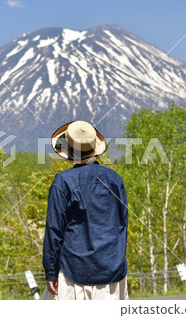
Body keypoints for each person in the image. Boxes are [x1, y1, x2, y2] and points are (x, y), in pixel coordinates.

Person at [42, 120, 129, 300]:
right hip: (113, 271)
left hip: (74, 274)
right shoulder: (115, 179)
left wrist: (50, 272)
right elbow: (122, 224)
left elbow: (54, 231)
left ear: (68, 151)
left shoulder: (63, 181)